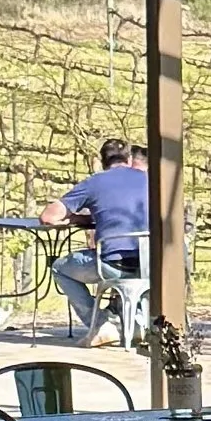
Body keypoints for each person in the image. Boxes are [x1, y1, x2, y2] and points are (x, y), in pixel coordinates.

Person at [40, 138, 147, 339]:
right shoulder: (152, 181)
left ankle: (100, 324)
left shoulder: (94, 183)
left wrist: (81, 217)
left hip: (113, 264)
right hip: (151, 263)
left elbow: (48, 217)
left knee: (59, 268)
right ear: (130, 158)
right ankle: (139, 321)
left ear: (102, 161)